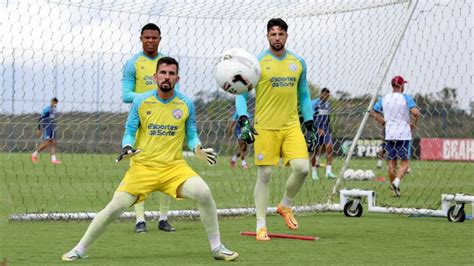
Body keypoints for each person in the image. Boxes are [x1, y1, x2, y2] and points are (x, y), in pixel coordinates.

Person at [62, 57, 239, 262]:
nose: (167, 77)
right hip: (143, 167)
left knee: (204, 193)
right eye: (163, 73)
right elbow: (129, 131)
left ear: (177, 78)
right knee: (115, 207)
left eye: (171, 74)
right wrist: (127, 147)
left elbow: (191, 134)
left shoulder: (186, 103)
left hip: (174, 168)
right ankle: (80, 249)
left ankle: (217, 248)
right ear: (155, 76)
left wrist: (197, 147)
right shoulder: (141, 101)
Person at [235, 18, 316, 241]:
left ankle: (285, 205)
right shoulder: (257, 63)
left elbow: (304, 95)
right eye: (273, 34)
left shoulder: (298, 62)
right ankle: (261, 226)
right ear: (267, 36)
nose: (277, 38)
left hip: (291, 127)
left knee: (302, 168)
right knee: (265, 174)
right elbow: (241, 94)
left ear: (286, 36)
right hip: (265, 128)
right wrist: (243, 121)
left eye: (281, 34)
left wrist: (309, 124)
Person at [121, 23, 175, 233]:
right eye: (147, 37)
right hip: (141, 121)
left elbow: (172, 91)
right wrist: (150, 99)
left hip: (165, 121)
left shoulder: (166, 64)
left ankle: (163, 218)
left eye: (154, 38)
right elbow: (126, 95)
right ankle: (140, 220)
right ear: (141, 39)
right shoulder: (132, 64)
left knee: (167, 164)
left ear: (160, 39)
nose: (151, 41)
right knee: (139, 167)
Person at [370, 75, 419, 197]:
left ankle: (393, 190)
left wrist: (381, 121)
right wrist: (414, 124)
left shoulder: (384, 98)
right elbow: (415, 112)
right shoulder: (406, 97)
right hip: (403, 134)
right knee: (405, 163)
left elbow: (373, 111)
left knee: (391, 163)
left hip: (390, 133)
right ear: (401, 85)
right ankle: (397, 182)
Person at [310, 88, 337, 180]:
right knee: (315, 150)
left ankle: (328, 172)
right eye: (324, 95)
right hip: (315, 129)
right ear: (321, 94)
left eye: (328, 95)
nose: (326, 97)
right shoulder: (313, 103)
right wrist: (317, 129)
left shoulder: (327, 105)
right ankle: (314, 173)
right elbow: (309, 117)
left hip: (325, 129)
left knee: (330, 148)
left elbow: (327, 118)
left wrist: (328, 129)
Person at [31, 97, 61, 165]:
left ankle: (54, 159)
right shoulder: (47, 109)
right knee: (46, 143)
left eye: (56, 102)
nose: (55, 103)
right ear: (51, 102)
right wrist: (39, 128)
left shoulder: (54, 109)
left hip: (52, 127)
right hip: (46, 127)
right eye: (54, 102)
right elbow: (40, 118)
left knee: (54, 142)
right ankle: (33, 155)